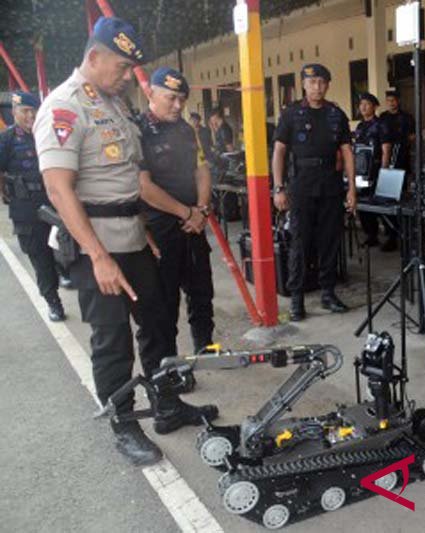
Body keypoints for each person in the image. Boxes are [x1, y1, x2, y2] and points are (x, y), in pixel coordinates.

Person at [33, 17, 217, 466]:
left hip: (134, 237)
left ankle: (168, 406)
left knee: (156, 323)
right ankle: (124, 424)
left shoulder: (114, 103)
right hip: (96, 245)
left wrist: (146, 232)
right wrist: (98, 257)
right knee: (114, 338)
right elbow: (59, 189)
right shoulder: (63, 107)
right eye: (120, 66)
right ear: (94, 57)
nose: (125, 75)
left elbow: (126, 182)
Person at [137, 68, 215, 355]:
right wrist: (187, 213)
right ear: (151, 94)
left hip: (193, 224)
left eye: (182, 99)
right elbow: (143, 187)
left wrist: (202, 209)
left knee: (202, 293)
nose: (178, 106)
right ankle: (170, 364)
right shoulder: (137, 130)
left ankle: (206, 348)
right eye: (171, 98)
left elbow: (202, 169)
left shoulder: (186, 129)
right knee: (164, 302)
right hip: (161, 229)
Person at [272, 64, 357, 322]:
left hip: (330, 184)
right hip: (301, 186)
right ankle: (297, 299)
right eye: (311, 82)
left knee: (329, 241)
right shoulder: (291, 114)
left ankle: (328, 293)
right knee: (300, 242)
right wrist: (278, 187)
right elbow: (279, 152)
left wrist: (351, 188)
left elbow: (346, 153)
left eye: (321, 82)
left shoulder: (336, 114)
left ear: (328, 85)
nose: (317, 87)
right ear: (304, 85)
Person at [0, 91, 67, 321]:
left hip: (55, 204)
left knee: (64, 249)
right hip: (27, 210)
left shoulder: (48, 133)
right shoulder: (7, 139)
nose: (30, 116)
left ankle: (63, 271)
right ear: (15, 113)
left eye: (33, 110)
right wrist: (6, 193)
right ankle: (53, 302)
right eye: (24, 111)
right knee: (40, 258)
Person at [353, 92, 392, 246]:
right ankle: (371, 235)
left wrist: (384, 171)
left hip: (376, 169)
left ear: (374, 107)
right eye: (361, 104)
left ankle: (391, 237)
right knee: (363, 204)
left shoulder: (381, 124)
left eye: (367, 104)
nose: (363, 107)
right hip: (362, 171)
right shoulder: (360, 126)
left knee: (382, 205)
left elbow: (386, 149)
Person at [378, 89, 414, 252]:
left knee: (402, 200)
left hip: (402, 161)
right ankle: (391, 236)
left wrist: (403, 143)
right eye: (388, 100)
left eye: (393, 100)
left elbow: (413, 137)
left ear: (398, 101)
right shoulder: (383, 117)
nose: (391, 103)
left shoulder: (407, 117)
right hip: (387, 161)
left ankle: (405, 235)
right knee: (387, 200)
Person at [208, 108, 234, 173]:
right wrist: (213, 129)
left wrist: (232, 163)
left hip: (224, 161)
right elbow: (215, 142)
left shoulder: (224, 129)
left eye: (211, 118)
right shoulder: (219, 128)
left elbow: (229, 147)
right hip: (220, 160)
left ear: (215, 116)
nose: (210, 120)